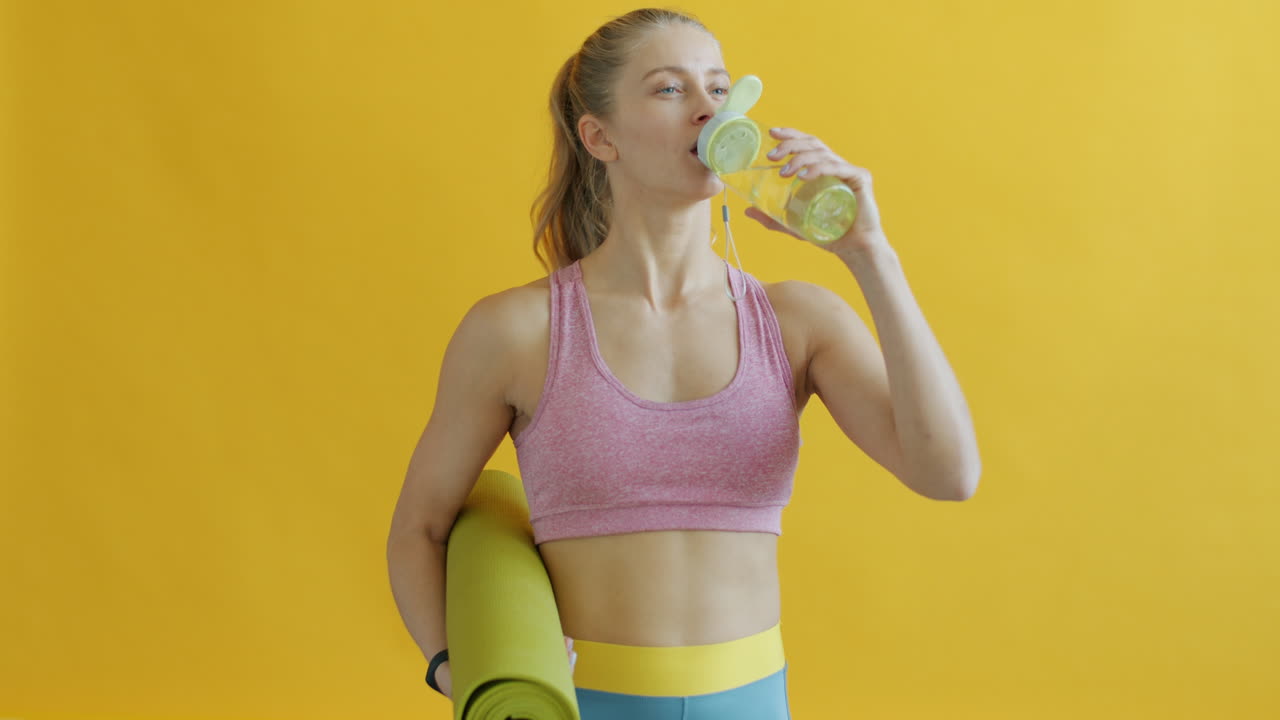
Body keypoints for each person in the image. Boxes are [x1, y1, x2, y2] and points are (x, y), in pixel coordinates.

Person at [386, 7, 981, 719]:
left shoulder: (798, 322)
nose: (707, 109)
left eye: (720, 89)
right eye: (671, 90)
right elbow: (419, 531)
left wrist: (869, 255)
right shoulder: (517, 331)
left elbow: (950, 474)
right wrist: (469, 679)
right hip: (579, 705)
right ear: (598, 136)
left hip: (754, 702)